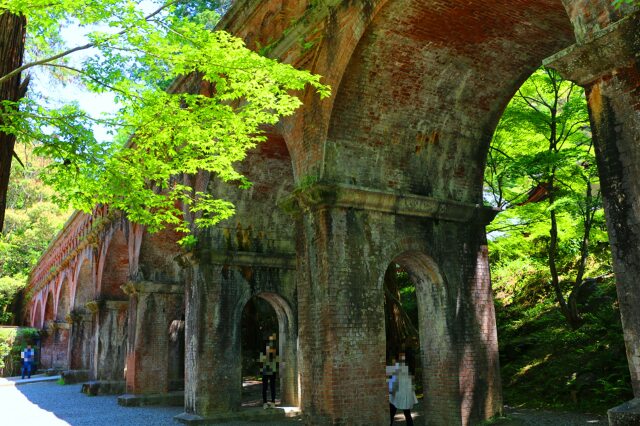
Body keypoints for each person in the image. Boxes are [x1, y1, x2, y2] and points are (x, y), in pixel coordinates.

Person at [386, 353, 417, 426]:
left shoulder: (396, 369)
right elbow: (412, 383)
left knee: (392, 413)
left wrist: (390, 392)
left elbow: (393, 382)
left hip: (397, 395)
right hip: (405, 395)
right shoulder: (407, 368)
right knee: (407, 414)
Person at [259, 334, 279, 409]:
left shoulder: (263, 348)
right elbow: (276, 360)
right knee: (271, 386)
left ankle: (265, 403)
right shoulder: (273, 349)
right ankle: (272, 402)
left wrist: (261, 370)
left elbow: (261, 360)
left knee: (265, 387)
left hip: (266, 368)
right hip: (271, 368)